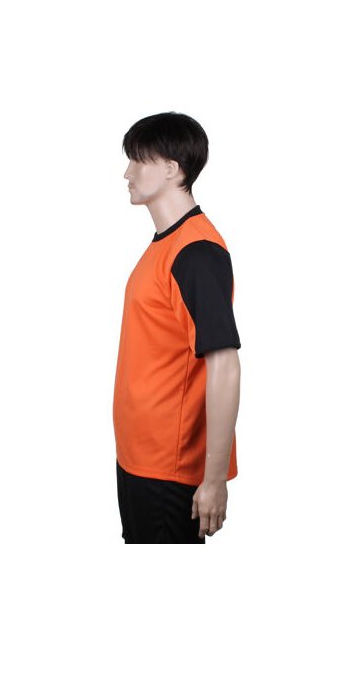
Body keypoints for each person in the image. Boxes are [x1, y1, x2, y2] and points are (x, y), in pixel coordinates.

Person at [113, 111, 242, 544]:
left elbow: (224, 363)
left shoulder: (196, 253)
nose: (127, 173)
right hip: (140, 458)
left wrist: (214, 480)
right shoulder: (166, 247)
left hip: (169, 469)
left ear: (172, 169)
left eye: (138, 160)